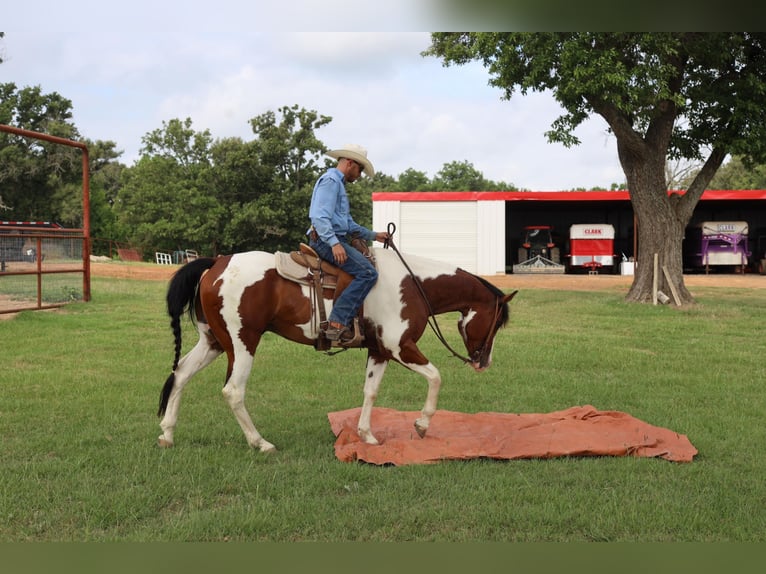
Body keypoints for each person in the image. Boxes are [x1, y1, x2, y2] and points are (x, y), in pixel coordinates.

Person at [308, 144, 389, 342]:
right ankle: (337, 321)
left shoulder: (338, 184)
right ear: (350, 163)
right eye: (360, 169)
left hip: (332, 238)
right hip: (326, 241)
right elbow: (319, 217)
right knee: (368, 273)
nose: (360, 175)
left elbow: (347, 224)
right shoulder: (331, 182)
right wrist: (335, 244)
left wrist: (374, 235)